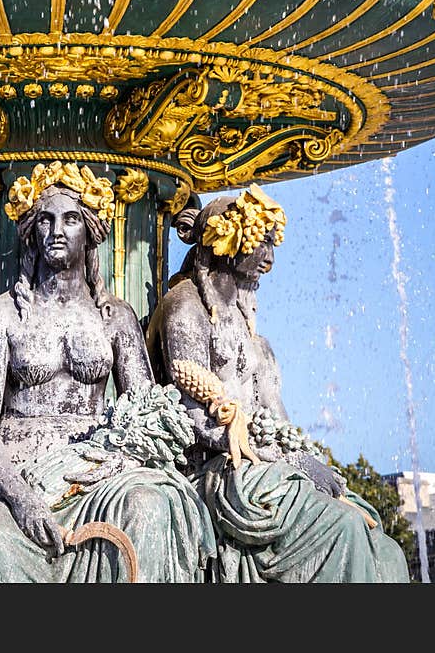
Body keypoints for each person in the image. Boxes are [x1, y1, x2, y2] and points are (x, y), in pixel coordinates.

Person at [0, 162, 214, 582]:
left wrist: (116, 463)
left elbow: (151, 413)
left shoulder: (117, 319)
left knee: (151, 505)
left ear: (91, 231)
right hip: (12, 470)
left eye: (71, 218)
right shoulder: (1, 315)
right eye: (45, 219)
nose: (56, 230)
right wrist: (20, 496)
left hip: (97, 472)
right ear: (31, 232)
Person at [147, 185, 410, 583]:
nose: (269, 258)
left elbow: (279, 420)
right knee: (343, 529)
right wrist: (289, 460)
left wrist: (308, 459)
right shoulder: (185, 309)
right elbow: (194, 421)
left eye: (272, 245)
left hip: (264, 467)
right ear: (230, 242)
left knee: (382, 544)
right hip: (222, 471)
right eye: (262, 244)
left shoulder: (253, 335)